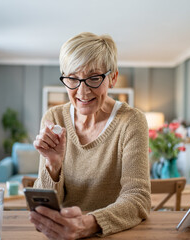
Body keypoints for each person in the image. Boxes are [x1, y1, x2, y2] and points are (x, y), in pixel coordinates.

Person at [31, 32, 151, 239]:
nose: (83, 91)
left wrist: (89, 224)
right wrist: (53, 164)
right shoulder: (54, 118)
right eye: (73, 79)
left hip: (113, 233)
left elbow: (138, 197)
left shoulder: (131, 121)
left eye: (94, 78)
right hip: (63, 233)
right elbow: (43, 206)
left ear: (112, 78)